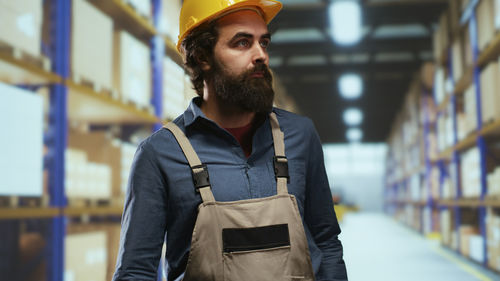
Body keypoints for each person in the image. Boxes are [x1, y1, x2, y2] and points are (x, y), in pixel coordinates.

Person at [112, 0, 348, 280]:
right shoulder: (160, 154)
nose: (260, 54)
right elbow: (135, 271)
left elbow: (326, 242)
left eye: (264, 43)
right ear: (202, 57)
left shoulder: (299, 135)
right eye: (242, 43)